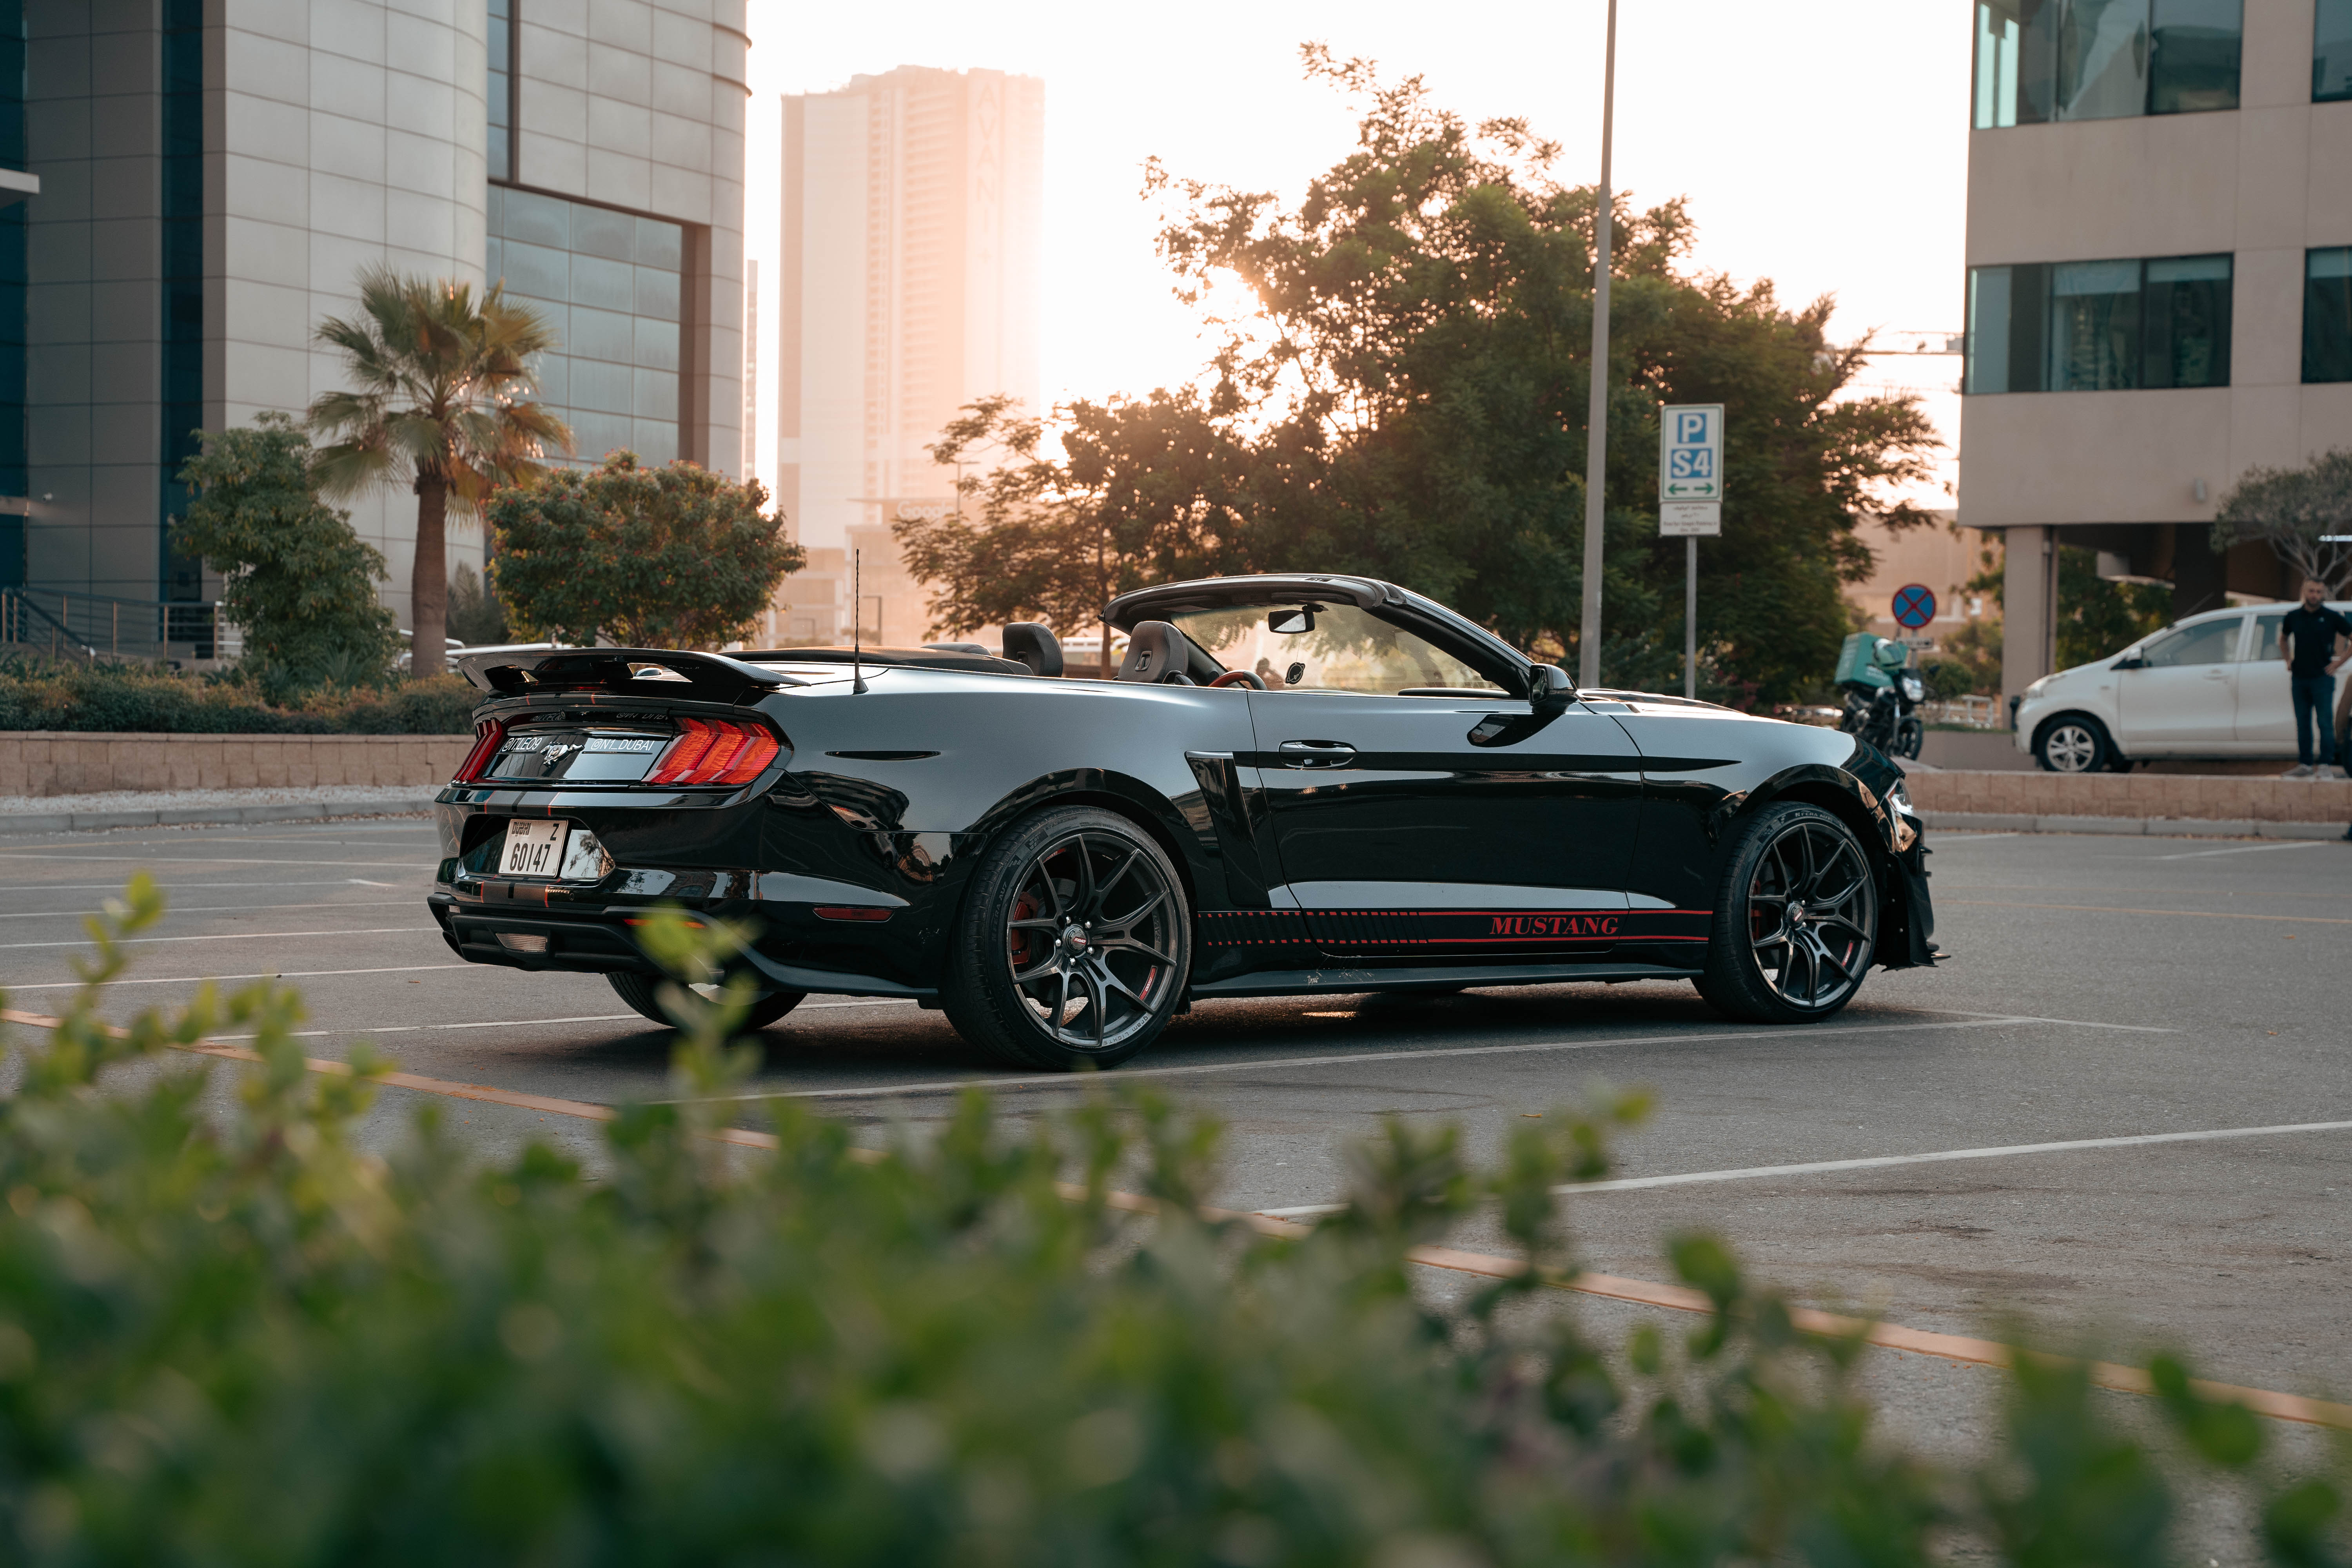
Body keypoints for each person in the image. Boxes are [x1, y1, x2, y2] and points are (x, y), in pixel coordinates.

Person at [2278, 578, 2351, 779]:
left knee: (2325, 722)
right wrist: (2288, 660)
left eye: (2319, 592)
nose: (2315, 596)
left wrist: (2337, 664)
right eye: (2312, 591)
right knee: (2303, 723)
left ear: (2323, 594)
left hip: (2323, 678)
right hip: (2300, 678)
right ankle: (2305, 765)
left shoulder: (2331, 617)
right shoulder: (2293, 617)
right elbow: (2283, 639)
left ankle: (2326, 766)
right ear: (2304, 591)